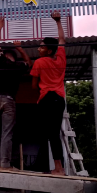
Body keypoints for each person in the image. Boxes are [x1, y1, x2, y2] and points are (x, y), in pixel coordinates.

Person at [0, 16, 32, 170]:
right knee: (6, 133)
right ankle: (5, 164)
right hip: (8, 100)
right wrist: (21, 49)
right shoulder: (18, 66)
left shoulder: (0, 60)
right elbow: (29, 63)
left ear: (5, 55)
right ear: (14, 57)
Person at [30, 10, 66, 176]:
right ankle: (58, 168)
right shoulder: (60, 59)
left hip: (47, 99)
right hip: (59, 99)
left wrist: (41, 90)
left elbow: (33, 85)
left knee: (48, 134)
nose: (39, 48)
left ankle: (58, 168)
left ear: (49, 51)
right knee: (54, 133)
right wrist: (58, 21)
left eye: (42, 46)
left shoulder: (39, 62)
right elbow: (62, 40)